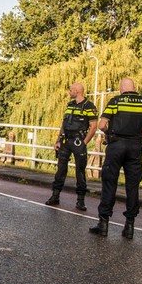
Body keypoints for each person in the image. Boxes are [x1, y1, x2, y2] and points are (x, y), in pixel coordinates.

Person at [90, 78, 142, 239]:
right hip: (135, 147)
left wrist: (111, 132)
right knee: (133, 186)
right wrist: (138, 133)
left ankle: (103, 224)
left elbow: (102, 125)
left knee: (109, 182)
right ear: (134, 88)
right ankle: (129, 227)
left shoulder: (115, 101)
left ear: (121, 89)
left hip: (116, 145)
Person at [45, 82, 98, 210]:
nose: (69, 92)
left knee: (80, 171)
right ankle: (55, 196)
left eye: (71, 90)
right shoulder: (70, 105)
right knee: (61, 169)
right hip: (66, 141)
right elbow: (64, 124)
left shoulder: (89, 106)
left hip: (79, 141)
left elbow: (93, 126)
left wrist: (84, 142)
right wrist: (58, 140)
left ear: (77, 91)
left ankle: (80, 201)